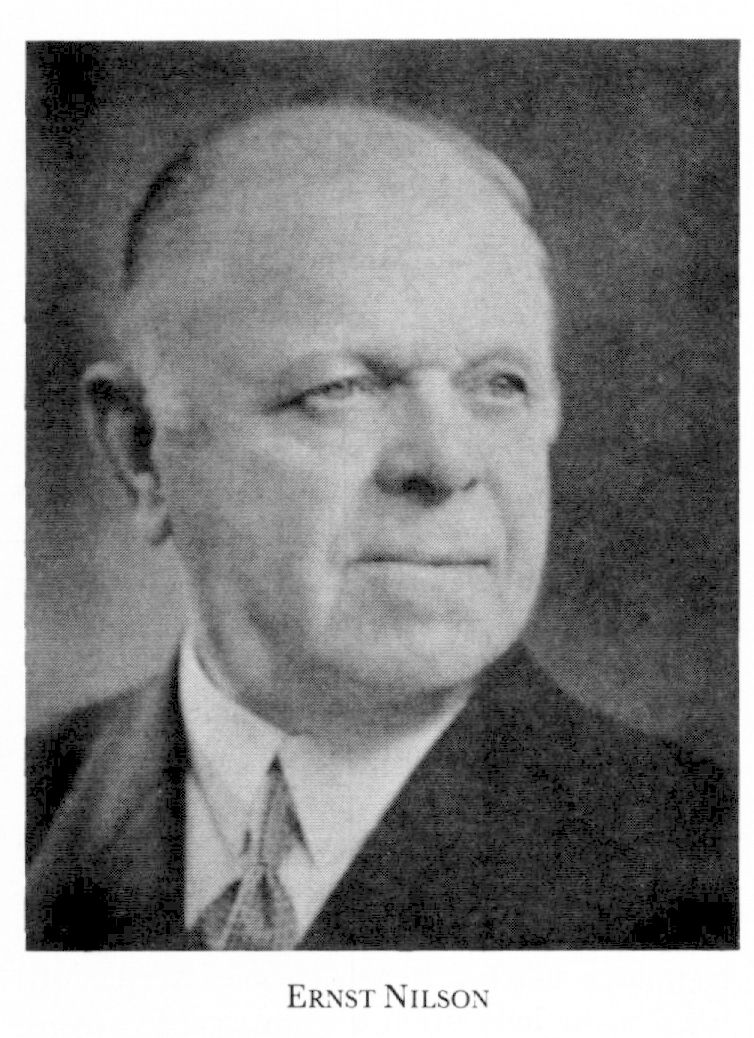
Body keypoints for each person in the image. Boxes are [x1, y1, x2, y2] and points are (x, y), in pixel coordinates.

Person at [26, 103, 736, 950]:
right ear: (142, 451)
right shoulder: (29, 813)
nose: (446, 463)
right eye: (338, 388)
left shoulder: (711, 877)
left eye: (499, 384)